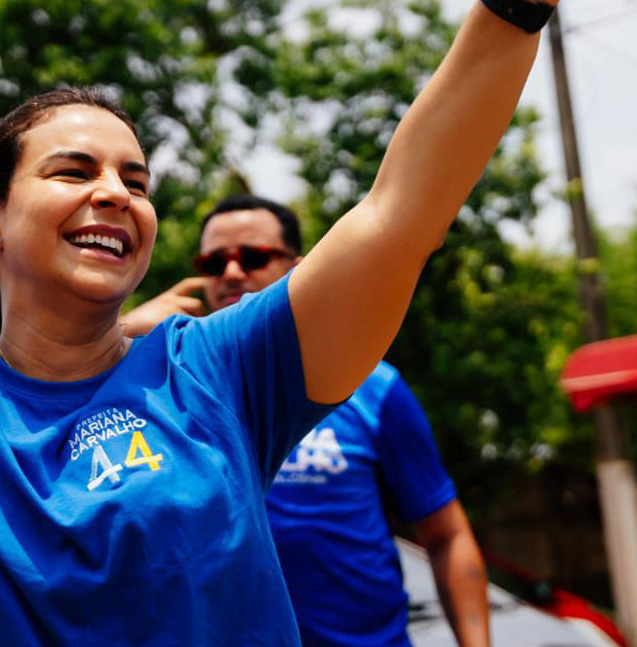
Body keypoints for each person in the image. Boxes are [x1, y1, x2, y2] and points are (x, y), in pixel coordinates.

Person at [0, 0, 554, 643]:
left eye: (136, 180)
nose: (114, 194)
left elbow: (401, 214)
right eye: (74, 169)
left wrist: (514, 12)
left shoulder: (226, 372)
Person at [127, 194, 490, 647]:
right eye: (214, 262)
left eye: (254, 257)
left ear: (300, 270)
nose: (232, 272)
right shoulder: (154, 394)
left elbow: (446, 534)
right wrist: (120, 337)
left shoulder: (372, 386)